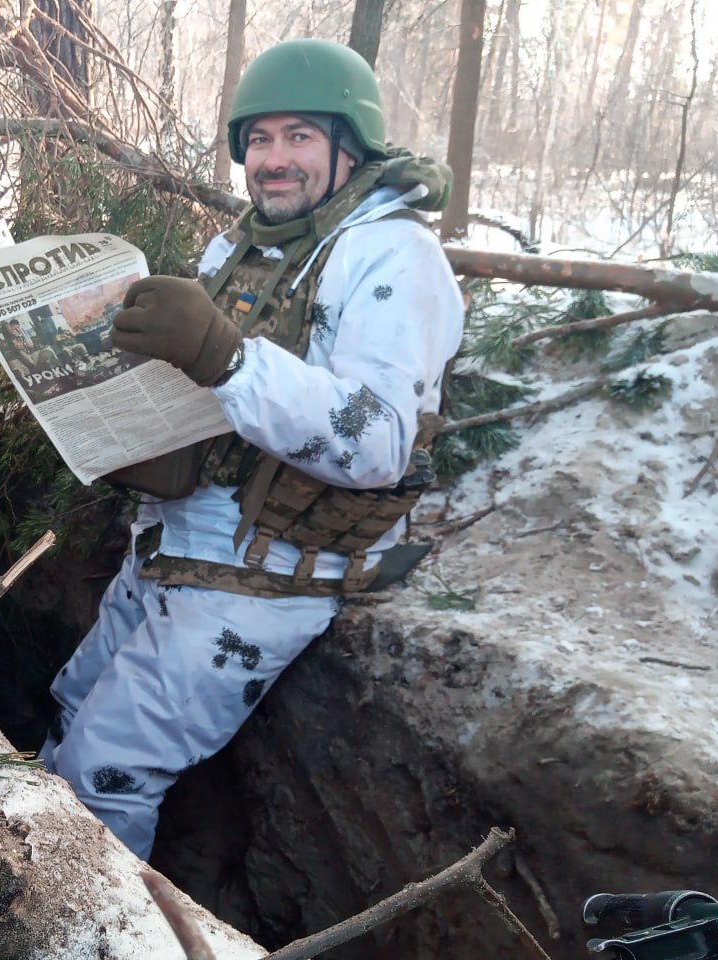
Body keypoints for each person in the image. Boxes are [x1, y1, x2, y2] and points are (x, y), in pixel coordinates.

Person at [37, 38, 465, 860]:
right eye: (259, 140)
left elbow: (376, 442)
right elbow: (206, 396)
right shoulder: (240, 249)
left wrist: (226, 357)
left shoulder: (393, 256)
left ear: (350, 147)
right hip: (173, 542)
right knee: (66, 709)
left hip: (270, 573)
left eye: (300, 136)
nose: (274, 160)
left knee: (102, 773)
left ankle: (93, 931)